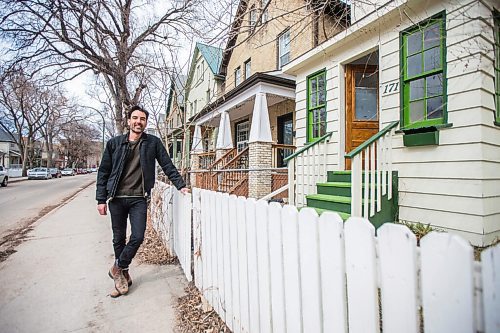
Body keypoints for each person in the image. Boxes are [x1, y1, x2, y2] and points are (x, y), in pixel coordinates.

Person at [96, 105, 189, 297]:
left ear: (146, 123)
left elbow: (167, 164)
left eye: (142, 119)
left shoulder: (152, 143)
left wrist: (180, 185)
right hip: (116, 198)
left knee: (138, 236)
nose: (139, 122)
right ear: (129, 121)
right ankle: (123, 276)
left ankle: (117, 268)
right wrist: (101, 199)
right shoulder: (114, 143)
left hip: (138, 198)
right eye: (135, 118)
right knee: (118, 239)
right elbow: (103, 172)